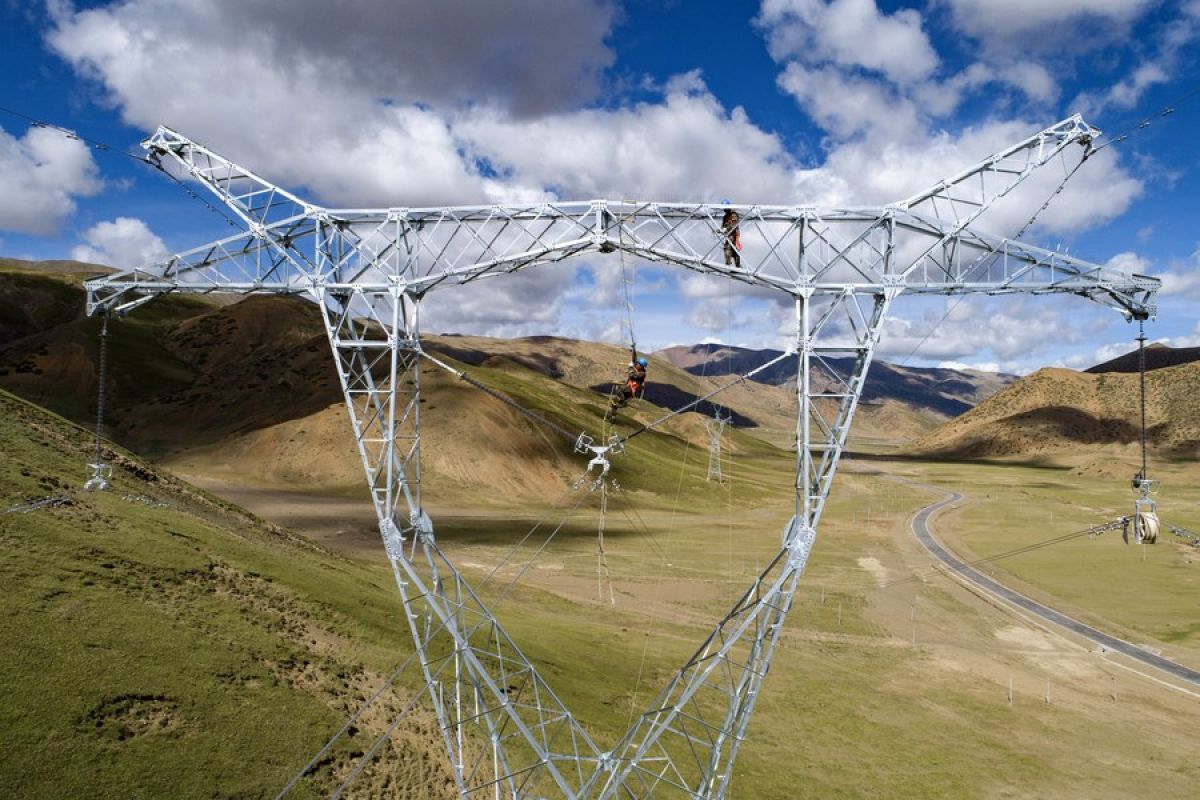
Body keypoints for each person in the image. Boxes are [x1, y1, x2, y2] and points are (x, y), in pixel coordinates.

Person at [608, 349, 648, 418]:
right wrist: (634, 350)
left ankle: (620, 402)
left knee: (619, 391)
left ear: (641, 366)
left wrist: (630, 368)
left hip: (631, 389)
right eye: (637, 363)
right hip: (629, 387)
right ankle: (613, 415)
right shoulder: (637, 368)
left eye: (638, 364)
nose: (636, 364)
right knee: (616, 399)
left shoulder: (642, 373)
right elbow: (634, 359)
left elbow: (632, 376)